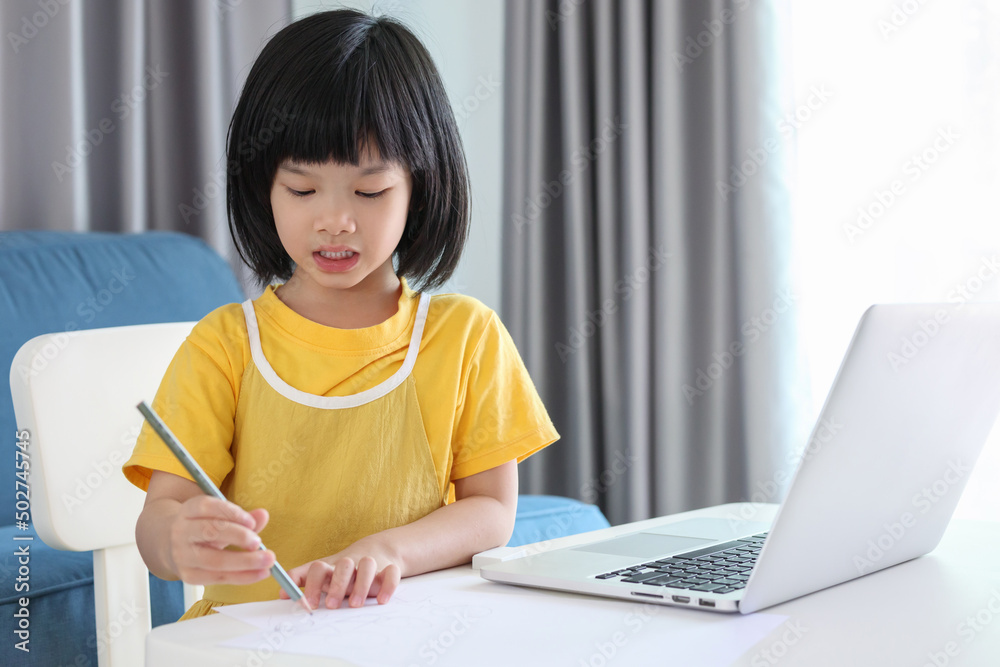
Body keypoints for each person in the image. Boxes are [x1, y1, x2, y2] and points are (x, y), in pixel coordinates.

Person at [123, 8, 558, 620]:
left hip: (404, 639)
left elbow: (491, 511)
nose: (334, 221)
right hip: (247, 646)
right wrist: (176, 541)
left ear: (420, 188)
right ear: (263, 189)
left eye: (369, 191)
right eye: (302, 190)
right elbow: (158, 518)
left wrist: (387, 551)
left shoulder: (465, 336)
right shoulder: (225, 345)